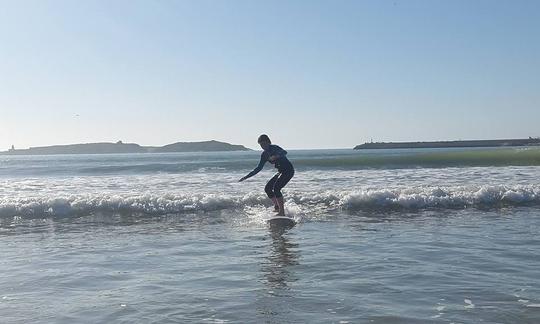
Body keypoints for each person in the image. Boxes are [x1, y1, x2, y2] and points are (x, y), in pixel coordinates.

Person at [239, 134, 294, 216]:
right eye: (261, 145)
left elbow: (284, 152)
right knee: (267, 188)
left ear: (268, 142)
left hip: (288, 170)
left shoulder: (275, 148)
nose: (263, 146)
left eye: (264, 144)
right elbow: (258, 168)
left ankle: (281, 212)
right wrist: (246, 177)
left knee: (276, 188)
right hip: (281, 171)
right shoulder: (264, 155)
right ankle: (277, 207)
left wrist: (276, 156)